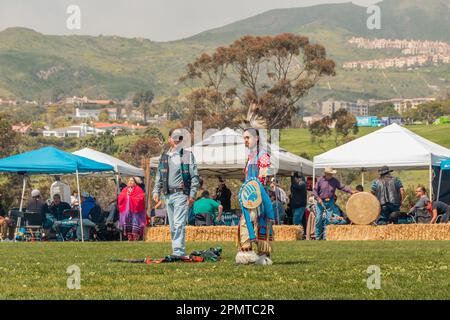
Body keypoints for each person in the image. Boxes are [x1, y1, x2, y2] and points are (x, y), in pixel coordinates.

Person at [153, 128, 200, 258]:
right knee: (173, 225)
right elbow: (158, 176)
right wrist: (156, 191)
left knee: (179, 224)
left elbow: (194, 176)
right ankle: (177, 250)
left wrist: (192, 195)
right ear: (170, 139)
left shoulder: (187, 155)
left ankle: (178, 252)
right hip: (167, 195)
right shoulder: (164, 157)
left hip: (181, 194)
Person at [236, 127, 275, 265]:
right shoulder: (250, 157)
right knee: (245, 224)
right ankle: (246, 254)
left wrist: (255, 192)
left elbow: (263, 177)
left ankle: (263, 256)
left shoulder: (263, 155)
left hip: (259, 197)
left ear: (256, 138)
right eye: (244, 138)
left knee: (261, 225)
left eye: (248, 138)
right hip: (249, 198)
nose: (245, 141)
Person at [313, 168, 353, 240]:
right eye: (329, 174)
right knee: (318, 218)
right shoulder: (320, 180)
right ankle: (317, 236)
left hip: (330, 201)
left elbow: (342, 187)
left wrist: (350, 191)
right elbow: (315, 191)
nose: (331, 175)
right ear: (325, 174)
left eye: (331, 174)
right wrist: (318, 199)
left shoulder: (334, 181)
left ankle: (325, 236)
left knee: (329, 220)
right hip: (320, 201)